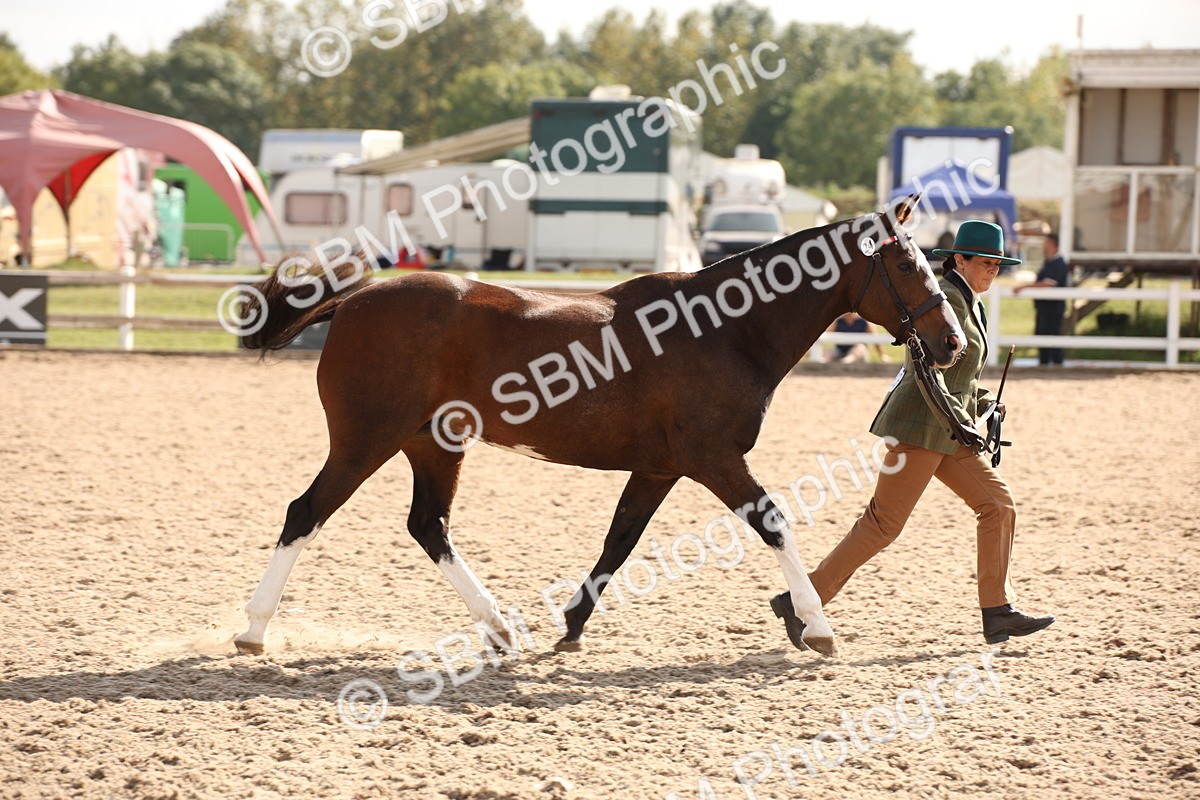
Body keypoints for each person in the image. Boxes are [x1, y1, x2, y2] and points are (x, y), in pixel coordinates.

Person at [771, 220, 1055, 647]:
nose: (993, 270)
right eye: (986, 262)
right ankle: (802, 600)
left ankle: (997, 611)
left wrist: (985, 406)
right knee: (884, 524)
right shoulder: (946, 300)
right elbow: (924, 369)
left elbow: (960, 377)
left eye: (998, 263)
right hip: (922, 425)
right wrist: (960, 420)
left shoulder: (970, 301)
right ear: (959, 259)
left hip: (949, 429)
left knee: (998, 505)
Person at [1014, 233, 1070, 366]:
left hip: (1053, 307)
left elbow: (1048, 283)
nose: (1043, 246)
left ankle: (1056, 363)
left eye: (1045, 243)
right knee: (1042, 333)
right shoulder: (1049, 262)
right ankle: (1045, 362)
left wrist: (1025, 286)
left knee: (1052, 333)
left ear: (1053, 245)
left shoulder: (1057, 263)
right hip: (1044, 307)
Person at [826, 312, 891, 364]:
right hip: (840, 350)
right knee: (828, 352)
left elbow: (875, 339)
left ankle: (845, 362)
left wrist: (882, 355)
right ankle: (821, 363)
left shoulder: (864, 322)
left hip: (858, 352)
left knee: (859, 347)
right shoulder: (838, 322)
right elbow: (826, 336)